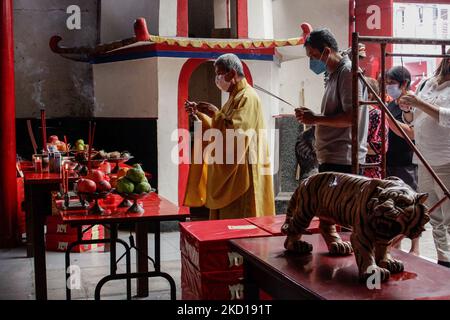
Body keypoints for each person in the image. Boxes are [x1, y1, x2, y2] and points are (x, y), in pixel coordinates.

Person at [184, 53, 275, 220]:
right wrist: (200, 116)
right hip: (234, 166)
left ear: (232, 73)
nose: (217, 79)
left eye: (220, 74)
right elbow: (221, 125)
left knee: (242, 221)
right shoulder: (234, 97)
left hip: (244, 168)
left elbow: (237, 132)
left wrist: (214, 112)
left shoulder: (247, 97)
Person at [399, 53, 450, 267]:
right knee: (433, 214)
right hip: (423, 156)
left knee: (449, 214)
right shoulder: (428, 82)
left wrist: (419, 102)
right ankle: (443, 260)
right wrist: (408, 109)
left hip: (445, 158)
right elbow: (413, 118)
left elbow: (447, 118)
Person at [295, 28, 369, 174]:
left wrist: (315, 118)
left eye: (314, 55)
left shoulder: (347, 73)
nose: (312, 61)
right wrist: (313, 118)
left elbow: (351, 118)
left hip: (343, 162)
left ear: (327, 51)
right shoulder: (333, 75)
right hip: (332, 160)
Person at [384, 66, 420, 255]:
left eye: (392, 83)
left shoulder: (411, 103)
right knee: (393, 204)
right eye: (387, 83)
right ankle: (396, 244)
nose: (389, 86)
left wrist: (388, 118)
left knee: (410, 204)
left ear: (404, 84)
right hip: (391, 159)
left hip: (406, 161)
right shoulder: (391, 104)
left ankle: (415, 247)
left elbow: (412, 134)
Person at [363, 77, 389, 179]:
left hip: (370, 173)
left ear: (369, 95)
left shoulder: (377, 115)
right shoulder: (353, 115)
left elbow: (379, 147)